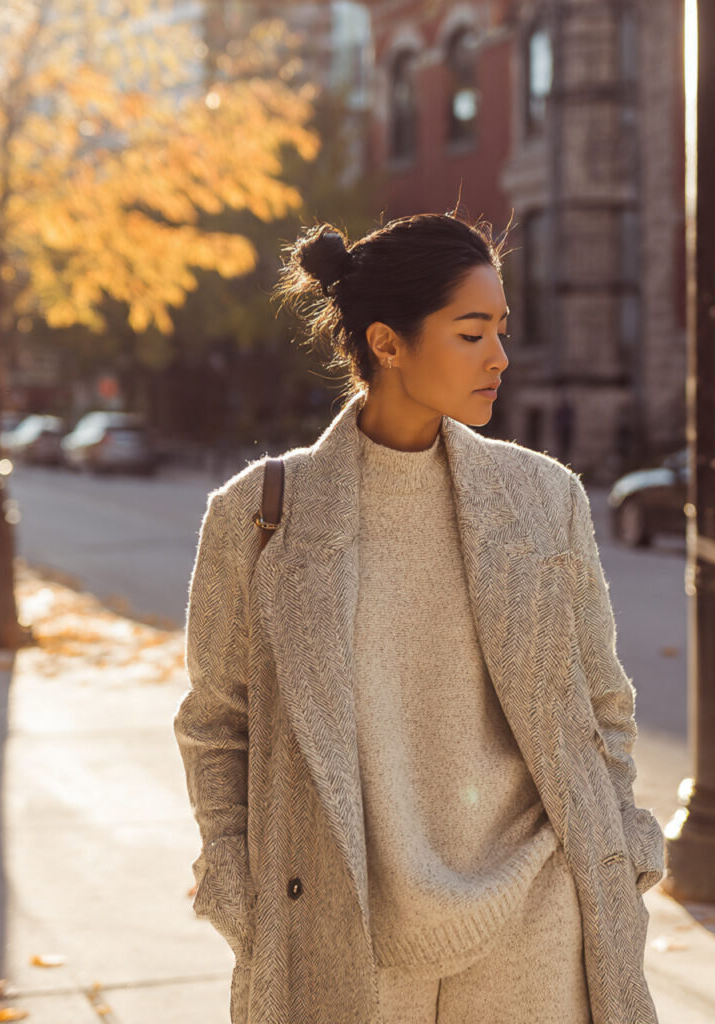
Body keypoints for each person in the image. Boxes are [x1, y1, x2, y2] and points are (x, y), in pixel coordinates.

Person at [173, 212, 664, 1024]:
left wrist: (624, 845)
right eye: (471, 333)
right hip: (341, 921)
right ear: (387, 344)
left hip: (539, 918)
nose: (499, 357)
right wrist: (235, 879)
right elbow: (217, 723)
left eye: (501, 330)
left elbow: (602, 700)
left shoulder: (545, 500)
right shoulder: (259, 515)